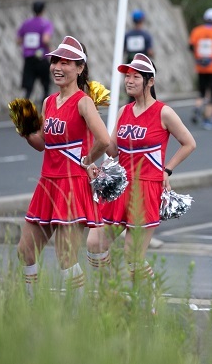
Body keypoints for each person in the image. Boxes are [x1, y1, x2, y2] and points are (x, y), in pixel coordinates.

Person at [86, 53, 196, 305]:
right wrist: (94, 123)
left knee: (133, 258)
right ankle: (111, 295)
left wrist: (167, 170)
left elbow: (189, 143)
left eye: (136, 76)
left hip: (146, 188)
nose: (129, 80)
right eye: (127, 76)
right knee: (95, 242)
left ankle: (149, 304)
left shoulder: (163, 112)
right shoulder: (124, 111)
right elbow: (112, 149)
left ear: (150, 81)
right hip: (120, 188)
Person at [16, 35, 111, 301]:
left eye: (65, 62)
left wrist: (87, 160)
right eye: (55, 61)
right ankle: (30, 304)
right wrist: (26, 131)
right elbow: (43, 144)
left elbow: (104, 140)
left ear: (80, 68)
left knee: (66, 258)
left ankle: (79, 313)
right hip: (47, 183)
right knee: (25, 251)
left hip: (72, 185)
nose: (57, 67)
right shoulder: (48, 102)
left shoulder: (84, 102)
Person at [17, 0, 54, 104]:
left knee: (28, 88)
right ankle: (45, 108)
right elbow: (45, 39)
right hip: (41, 58)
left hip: (29, 59)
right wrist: (50, 49)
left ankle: (25, 109)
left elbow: (18, 40)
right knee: (46, 85)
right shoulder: (45, 23)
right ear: (43, 10)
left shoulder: (26, 24)